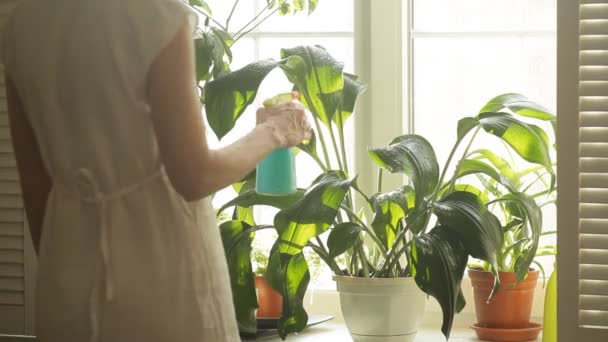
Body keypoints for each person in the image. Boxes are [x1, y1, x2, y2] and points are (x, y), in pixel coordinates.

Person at [1, 0, 311, 341]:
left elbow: (36, 192)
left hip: (67, 275)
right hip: (163, 273)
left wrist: (67, 269)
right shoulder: (155, 13)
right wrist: (274, 131)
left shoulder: (21, 21)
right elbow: (195, 175)